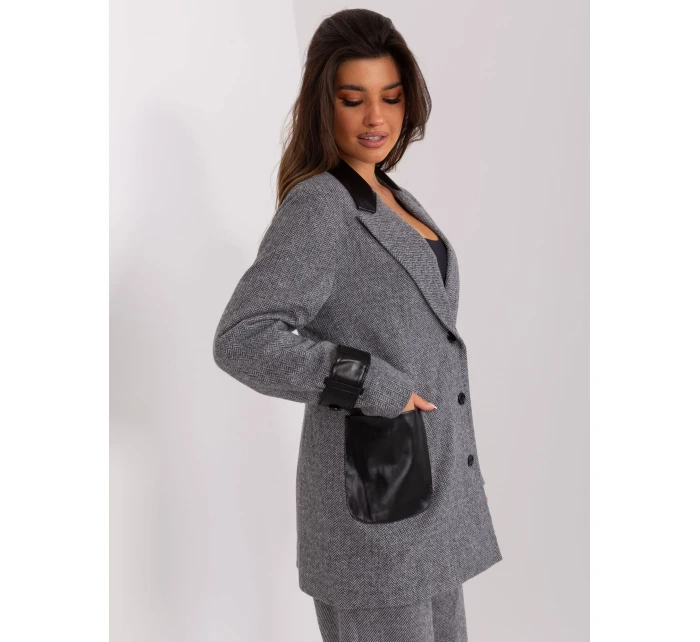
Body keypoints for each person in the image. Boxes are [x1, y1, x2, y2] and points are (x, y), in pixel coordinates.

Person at [213, 8, 502, 641]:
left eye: (391, 97)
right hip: (377, 512)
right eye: (353, 99)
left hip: (432, 501)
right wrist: (372, 382)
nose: (376, 118)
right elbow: (243, 337)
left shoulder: (392, 195)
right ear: (325, 104)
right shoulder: (321, 204)